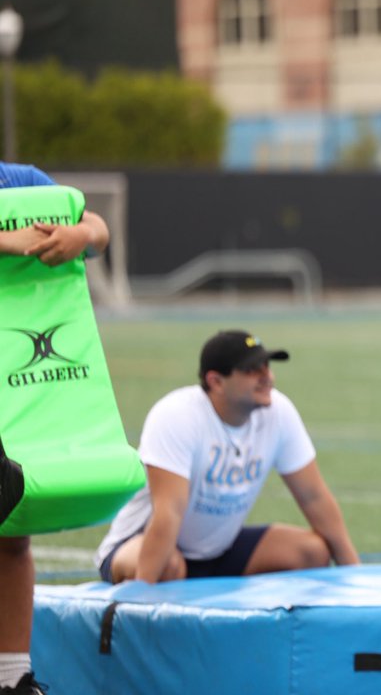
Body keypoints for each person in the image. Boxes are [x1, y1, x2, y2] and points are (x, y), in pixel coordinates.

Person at [95, 329, 360, 585]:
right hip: (144, 544)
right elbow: (169, 512)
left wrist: (355, 578)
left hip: (218, 551)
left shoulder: (278, 412)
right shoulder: (176, 415)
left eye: (267, 367)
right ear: (216, 382)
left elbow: (314, 496)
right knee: (170, 566)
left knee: (312, 552)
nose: (267, 376)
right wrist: (141, 594)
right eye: (251, 370)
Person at [0, 160, 111, 695]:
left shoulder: (22, 181)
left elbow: (98, 229)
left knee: (11, 531)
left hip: (20, 380)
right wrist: (6, 242)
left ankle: (12, 678)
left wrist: (79, 235)